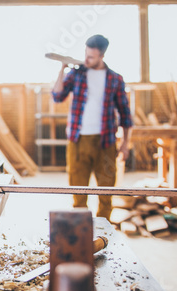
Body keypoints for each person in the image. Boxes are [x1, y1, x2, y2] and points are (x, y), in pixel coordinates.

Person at [51, 34, 133, 221]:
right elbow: (57, 96)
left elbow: (125, 115)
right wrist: (62, 70)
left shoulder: (115, 79)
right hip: (78, 140)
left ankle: (105, 231)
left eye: (91, 57)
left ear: (102, 56)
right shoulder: (77, 74)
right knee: (77, 187)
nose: (86, 60)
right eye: (85, 55)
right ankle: (81, 228)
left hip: (105, 141)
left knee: (106, 188)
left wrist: (125, 144)